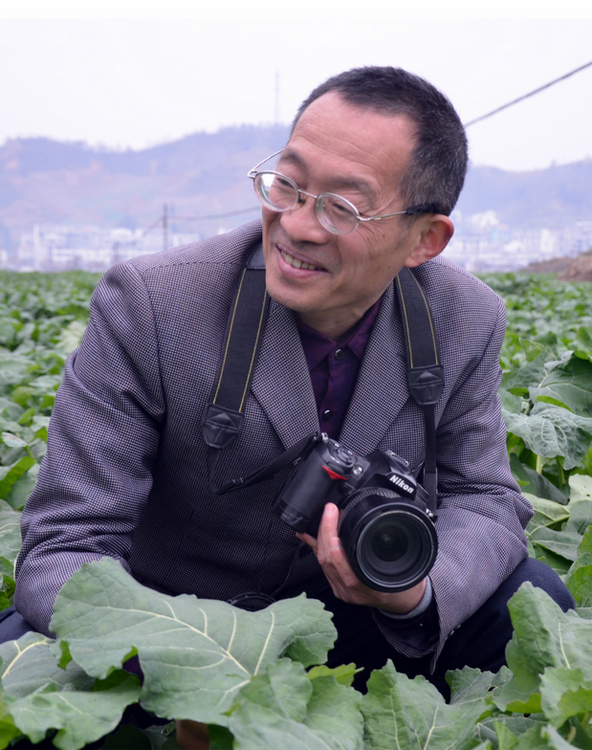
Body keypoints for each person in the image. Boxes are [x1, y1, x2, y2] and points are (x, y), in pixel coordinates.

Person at [9, 67, 573, 699]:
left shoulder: (463, 318)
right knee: (19, 664)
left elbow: (486, 501)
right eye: (289, 186)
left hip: (357, 633)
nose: (299, 226)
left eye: (343, 207)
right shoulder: (152, 303)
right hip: (169, 623)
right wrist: (183, 661)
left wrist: (412, 593)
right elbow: (66, 544)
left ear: (425, 239)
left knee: (534, 601)